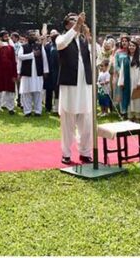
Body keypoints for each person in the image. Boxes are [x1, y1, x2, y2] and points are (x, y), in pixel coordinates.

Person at [56, 12, 93, 164]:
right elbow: (61, 44)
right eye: (73, 20)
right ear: (67, 24)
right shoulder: (61, 38)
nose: (77, 21)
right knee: (68, 121)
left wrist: (87, 33)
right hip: (70, 86)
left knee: (86, 120)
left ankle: (85, 151)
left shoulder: (85, 40)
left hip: (85, 86)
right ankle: (66, 153)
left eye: (77, 19)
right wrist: (76, 27)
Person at [18, 31, 49, 117]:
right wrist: (32, 55)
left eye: (33, 35)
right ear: (27, 37)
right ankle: (27, 111)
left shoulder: (40, 46)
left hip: (37, 73)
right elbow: (20, 57)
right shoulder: (23, 47)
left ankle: (37, 111)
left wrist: (46, 71)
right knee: (26, 92)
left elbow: (44, 58)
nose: (32, 37)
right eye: (31, 35)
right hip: (27, 73)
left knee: (38, 92)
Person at [0, 31, 18, 115]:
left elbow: (14, 61)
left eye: (7, 35)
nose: (7, 37)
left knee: (10, 91)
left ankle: (10, 108)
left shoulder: (11, 47)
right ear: (0, 37)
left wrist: (14, 74)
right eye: (5, 36)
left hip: (9, 72)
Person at [119, 39, 140, 122]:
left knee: (137, 97)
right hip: (128, 82)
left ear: (136, 47)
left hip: (137, 80)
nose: (131, 47)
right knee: (129, 98)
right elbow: (122, 71)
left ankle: (138, 116)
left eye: (133, 46)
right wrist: (121, 81)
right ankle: (130, 115)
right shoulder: (125, 58)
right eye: (130, 45)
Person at [44, 29, 60, 114]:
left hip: (58, 71)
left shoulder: (61, 46)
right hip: (50, 71)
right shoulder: (47, 46)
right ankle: (48, 107)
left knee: (58, 90)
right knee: (49, 90)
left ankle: (57, 108)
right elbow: (45, 59)